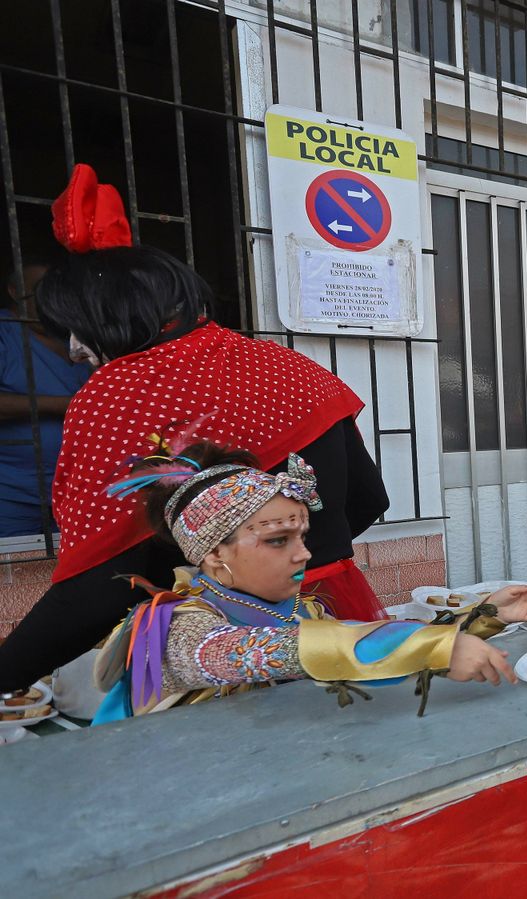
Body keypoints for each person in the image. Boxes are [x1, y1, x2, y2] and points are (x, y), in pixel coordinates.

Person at [0, 166, 391, 694]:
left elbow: (100, 587)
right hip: (344, 615)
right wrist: (297, 560)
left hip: (227, 642)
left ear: (109, 318)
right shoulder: (289, 365)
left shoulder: (116, 394)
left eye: (75, 329)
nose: (74, 349)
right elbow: (367, 500)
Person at [89, 440, 527, 721]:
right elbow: (275, 652)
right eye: (276, 540)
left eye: (302, 536)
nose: (304, 553)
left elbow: (353, 657)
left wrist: (480, 616)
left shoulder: (302, 610)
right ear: (212, 553)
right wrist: (438, 646)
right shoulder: (178, 631)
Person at [0, 252, 93, 537]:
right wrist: (69, 405)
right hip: (13, 496)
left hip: (81, 493)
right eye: (39, 288)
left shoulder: (79, 335)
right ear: (15, 291)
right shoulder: (6, 332)